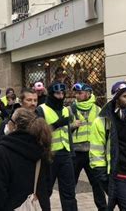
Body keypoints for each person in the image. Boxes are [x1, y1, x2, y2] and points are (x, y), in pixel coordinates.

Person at [90, 81, 126, 210]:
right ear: (116, 98)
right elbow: (96, 153)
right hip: (121, 178)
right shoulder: (102, 121)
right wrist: (105, 180)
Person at [0, 108, 52, 210]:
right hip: (38, 206)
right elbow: (48, 185)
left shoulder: (2, 151)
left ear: (16, 126)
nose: (7, 123)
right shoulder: (41, 146)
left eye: (11, 120)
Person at [36, 82, 77, 211]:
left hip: (65, 154)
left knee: (69, 191)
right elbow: (40, 133)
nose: (60, 96)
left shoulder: (65, 109)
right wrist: (57, 124)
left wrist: (72, 129)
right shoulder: (41, 109)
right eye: (57, 93)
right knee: (46, 190)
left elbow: (66, 133)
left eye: (62, 93)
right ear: (51, 94)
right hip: (50, 156)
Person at [70, 83, 107, 210]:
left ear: (88, 93)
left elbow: (104, 130)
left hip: (92, 153)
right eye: (76, 93)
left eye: (80, 93)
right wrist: (72, 126)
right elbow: (63, 130)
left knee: (97, 185)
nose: (77, 95)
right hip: (75, 153)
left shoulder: (98, 110)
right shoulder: (70, 109)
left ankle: (103, 209)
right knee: (70, 186)